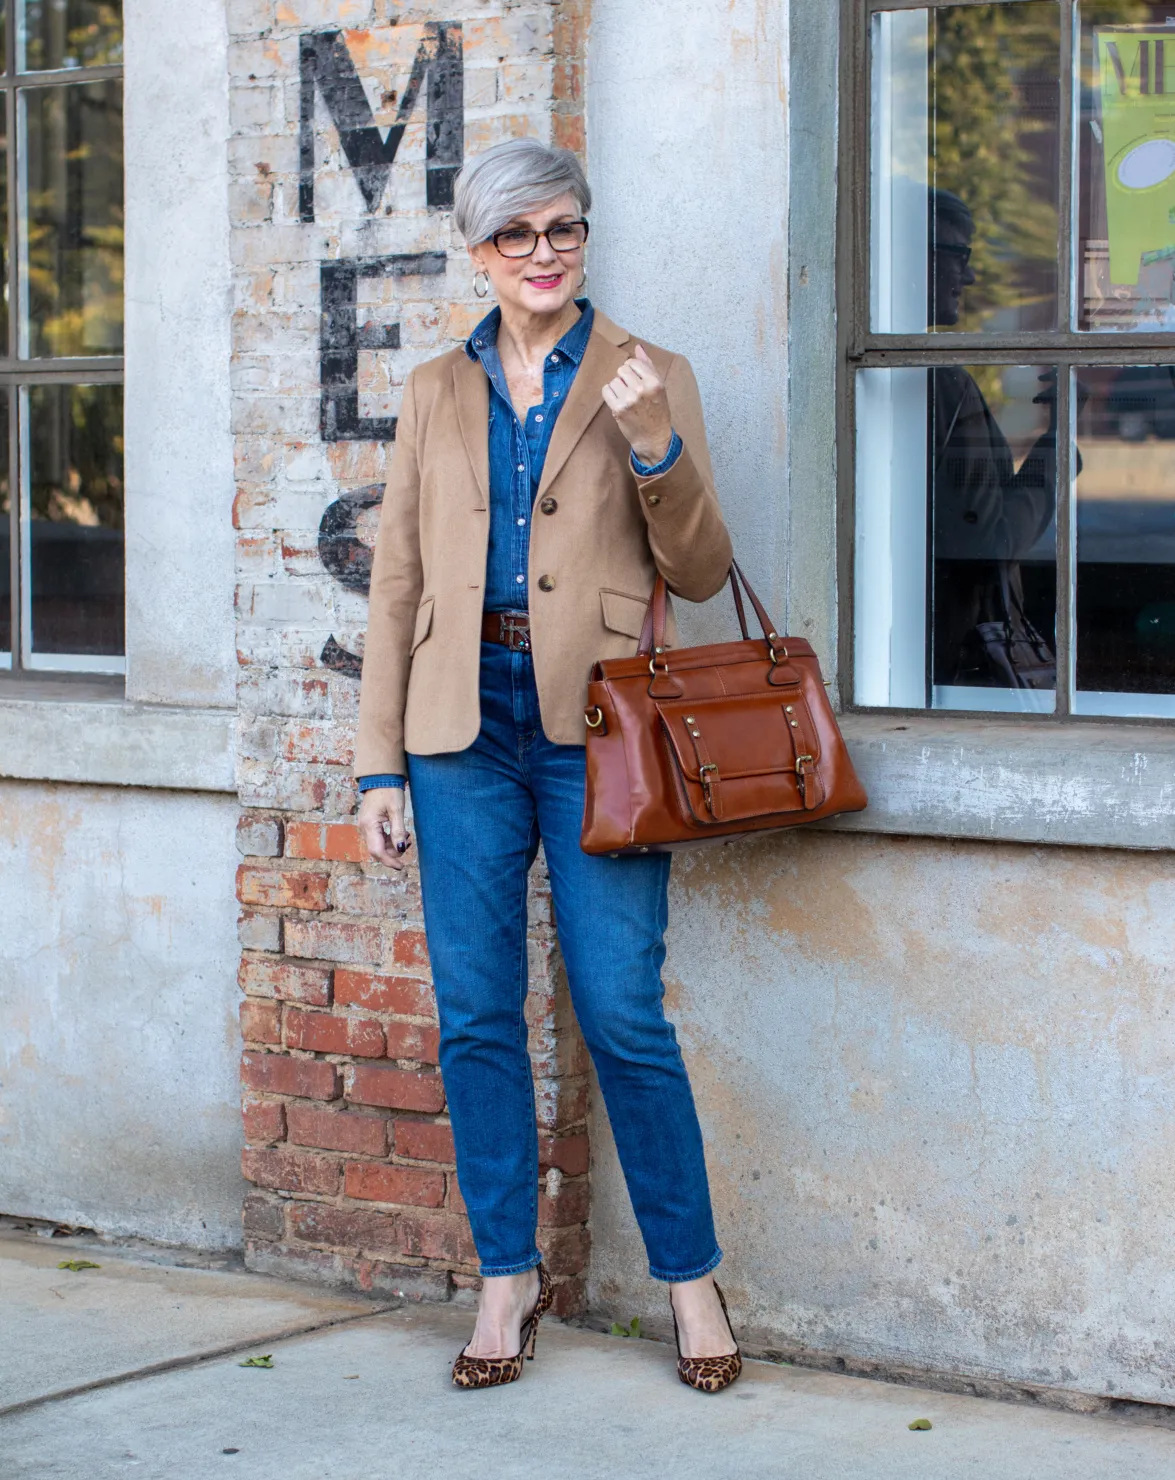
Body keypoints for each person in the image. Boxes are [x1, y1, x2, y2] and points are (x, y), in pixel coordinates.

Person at [353, 138, 741, 1393]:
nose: (542, 253)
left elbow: (695, 569)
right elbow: (396, 582)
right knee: (475, 1016)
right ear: (478, 251)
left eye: (562, 229)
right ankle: (505, 1278)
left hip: (596, 734)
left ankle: (691, 1283)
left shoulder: (650, 374)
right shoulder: (433, 389)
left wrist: (651, 448)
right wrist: (376, 770)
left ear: (584, 238)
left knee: (624, 1016)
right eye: (515, 235)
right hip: (458, 731)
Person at [928, 188, 1057, 691]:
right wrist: (1057, 447)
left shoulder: (930, 379)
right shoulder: (942, 383)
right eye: (959, 254)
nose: (971, 275)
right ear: (919, 254)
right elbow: (991, 541)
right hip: (958, 650)